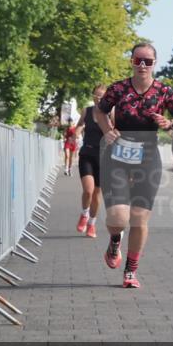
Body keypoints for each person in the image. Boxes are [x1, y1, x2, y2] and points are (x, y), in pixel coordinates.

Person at [93, 42, 173, 288]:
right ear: (132, 62)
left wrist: (170, 124)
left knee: (138, 217)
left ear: (154, 64)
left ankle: (131, 271)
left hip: (147, 157)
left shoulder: (163, 91)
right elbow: (100, 111)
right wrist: (107, 130)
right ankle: (115, 240)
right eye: (138, 60)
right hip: (117, 155)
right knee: (118, 218)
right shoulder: (118, 89)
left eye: (148, 61)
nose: (143, 65)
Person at [74, 84, 107, 237]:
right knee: (88, 190)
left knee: (96, 194)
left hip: (103, 157)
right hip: (87, 153)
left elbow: (117, 130)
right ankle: (84, 214)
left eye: (102, 97)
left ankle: (92, 224)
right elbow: (80, 124)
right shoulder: (86, 111)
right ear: (93, 96)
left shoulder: (111, 113)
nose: (98, 99)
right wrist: (76, 133)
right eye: (96, 96)